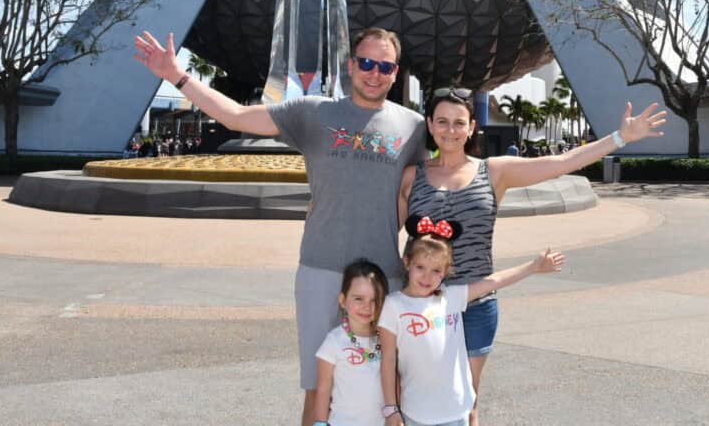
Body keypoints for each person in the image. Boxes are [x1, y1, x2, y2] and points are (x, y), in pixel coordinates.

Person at [133, 26, 425, 426]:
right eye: (367, 63)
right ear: (351, 65)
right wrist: (177, 76)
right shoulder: (313, 112)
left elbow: (436, 186)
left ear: (395, 72)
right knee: (318, 385)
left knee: (386, 383)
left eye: (385, 66)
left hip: (383, 275)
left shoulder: (413, 126)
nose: (375, 73)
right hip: (322, 269)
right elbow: (234, 116)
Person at [398, 88, 666, 426]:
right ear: (430, 125)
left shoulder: (494, 171)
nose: (450, 130)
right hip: (421, 306)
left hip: (475, 305)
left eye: (458, 123)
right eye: (442, 122)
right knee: (416, 397)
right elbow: (383, 233)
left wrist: (620, 137)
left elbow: (562, 163)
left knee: (466, 402)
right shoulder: (412, 177)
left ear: (471, 128)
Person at [379, 216, 564, 426]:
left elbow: (495, 281)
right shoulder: (393, 306)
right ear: (407, 263)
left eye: (436, 270)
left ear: (446, 271)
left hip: (458, 409)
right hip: (417, 412)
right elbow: (388, 360)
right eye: (420, 267)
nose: (427, 277)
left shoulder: (451, 298)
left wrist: (533, 267)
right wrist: (390, 408)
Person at [313, 259, 388, 426]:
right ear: (342, 300)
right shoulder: (334, 341)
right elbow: (323, 389)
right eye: (358, 299)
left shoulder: (386, 340)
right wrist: (320, 423)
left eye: (374, 300)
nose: (367, 307)